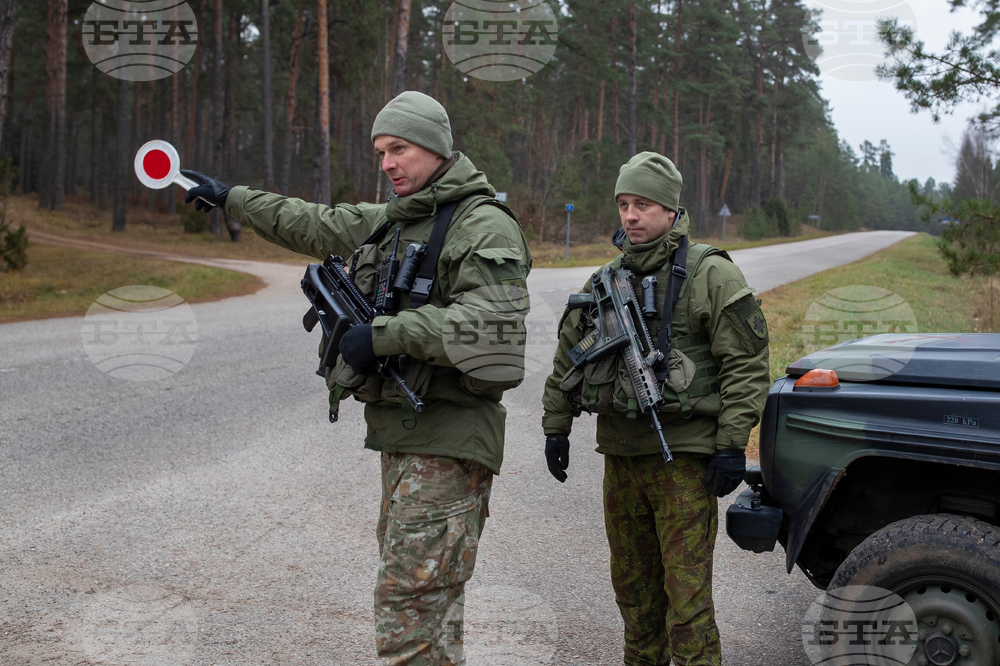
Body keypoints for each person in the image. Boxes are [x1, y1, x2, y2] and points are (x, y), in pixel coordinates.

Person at [181, 91, 532, 665]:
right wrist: (230, 197)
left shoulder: (482, 226)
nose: (387, 163)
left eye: (399, 149)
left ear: (436, 149)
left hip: (448, 442)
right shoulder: (398, 219)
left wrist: (384, 335)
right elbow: (314, 223)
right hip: (407, 439)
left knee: (408, 610)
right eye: (380, 152)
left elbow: (492, 330)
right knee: (427, 610)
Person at [541, 152, 769, 665]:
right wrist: (556, 426)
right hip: (621, 460)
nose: (630, 216)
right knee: (634, 597)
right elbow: (568, 357)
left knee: (687, 603)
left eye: (642, 204)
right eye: (623, 204)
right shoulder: (604, 281)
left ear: (670, 210)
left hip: (683, 462)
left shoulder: (711, 274)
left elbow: (747, 365)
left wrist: (732, 444)